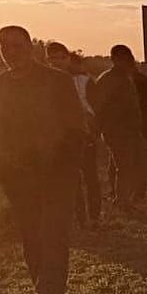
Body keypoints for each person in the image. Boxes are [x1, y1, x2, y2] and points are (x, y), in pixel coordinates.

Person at [0, 26, 85, 294]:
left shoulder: (57, 82)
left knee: (54, 234)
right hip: (19, 180)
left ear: (30, 47)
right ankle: (43, 286)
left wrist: (68, 171)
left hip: (58, 176)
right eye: (5, 48)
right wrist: (4, 177)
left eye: (17, 46)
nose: (11, 53)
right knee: (32, 237)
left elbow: (75, 129)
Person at [47, 44, 102, 227]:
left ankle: (94, 216)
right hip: (59, 137)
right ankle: (79, 217)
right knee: (71, 179)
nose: (56, 62)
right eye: (52, 59)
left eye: (60, 58)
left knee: (90, 176)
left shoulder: (83, 81)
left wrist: (94, 132)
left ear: (68, 58)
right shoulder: (46, 82)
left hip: (83, 134)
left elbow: (96, 109)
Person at [92, 45, 144, 210]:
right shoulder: (110, 79)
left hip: (125, 128)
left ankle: (116, 195)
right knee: (125, 165)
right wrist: (99, 129)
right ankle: (122, 200)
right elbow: (98, 106)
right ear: (116, 59)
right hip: (116, 129)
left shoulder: (120, 77)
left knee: (117, 164)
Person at [131, 64, 147, 201]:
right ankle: (137, 192)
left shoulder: (130, 81)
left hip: (131, 126)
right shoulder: (143, 80)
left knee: (127, 162)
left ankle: (132, 193)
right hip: (142, 125)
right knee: (139, 161)